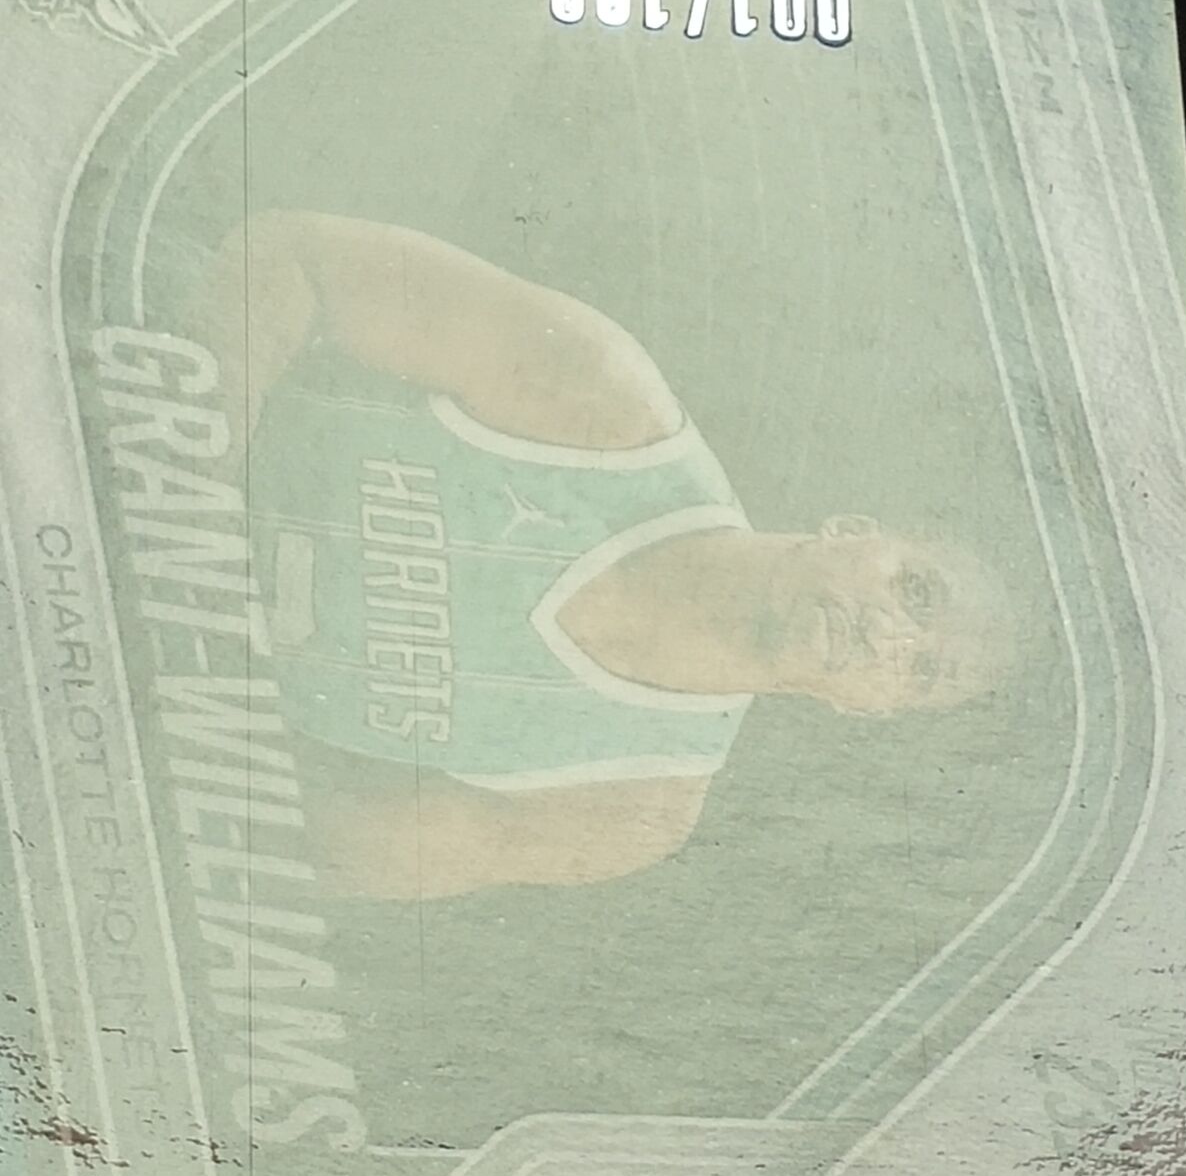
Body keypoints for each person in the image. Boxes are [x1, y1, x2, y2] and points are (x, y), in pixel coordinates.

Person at [186, 211, 1014, 899]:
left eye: (920, 671)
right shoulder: (605, 403)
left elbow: (297, 846)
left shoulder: (631, 807)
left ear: (867, 710)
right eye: (917, 591)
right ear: (854, 529)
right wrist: (188, 494)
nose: (888, 635)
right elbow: (289, 259)